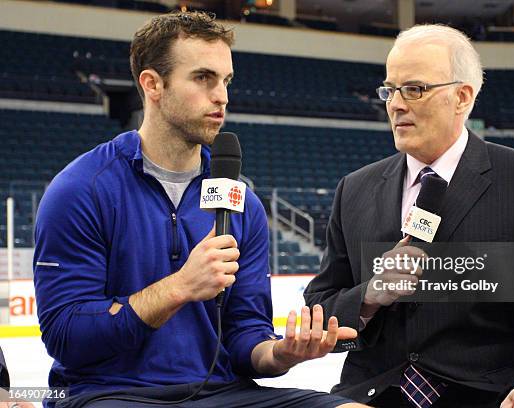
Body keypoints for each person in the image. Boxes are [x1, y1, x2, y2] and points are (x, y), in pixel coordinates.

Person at [33, 11, 366, 408]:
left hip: (224, 393)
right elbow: (66, 336)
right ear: (152, 85)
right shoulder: (80, 190)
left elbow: (245, 335)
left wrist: (281, 354)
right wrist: (179, 287)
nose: (222, 96)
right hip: (111, 394)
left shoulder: (243, 203)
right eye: (203, 78)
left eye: (226, 81)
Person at [304, 24, 514, 408]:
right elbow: (320, 304)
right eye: (390, 90)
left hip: (486, 397)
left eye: (415, 89)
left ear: (462, 97)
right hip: (369, 396)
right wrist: (369, 296)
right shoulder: (354, 189)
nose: (395, 104)